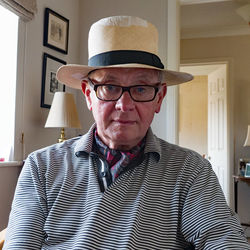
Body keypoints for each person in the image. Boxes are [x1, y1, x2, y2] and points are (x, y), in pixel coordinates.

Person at [4, 16, 249, 250]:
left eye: (141, 88)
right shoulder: (41, 167)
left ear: (159, 98)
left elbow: (222, 237)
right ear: (89, 95)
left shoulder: (190, 170)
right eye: (110, 87)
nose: (124, 104)